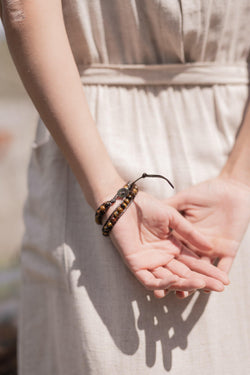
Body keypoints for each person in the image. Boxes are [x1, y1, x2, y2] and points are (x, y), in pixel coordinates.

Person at [1, 0, 250, 374]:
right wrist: (241, 178)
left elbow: (24, 10)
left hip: (86, 144)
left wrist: (107, 195)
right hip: (94, 143)